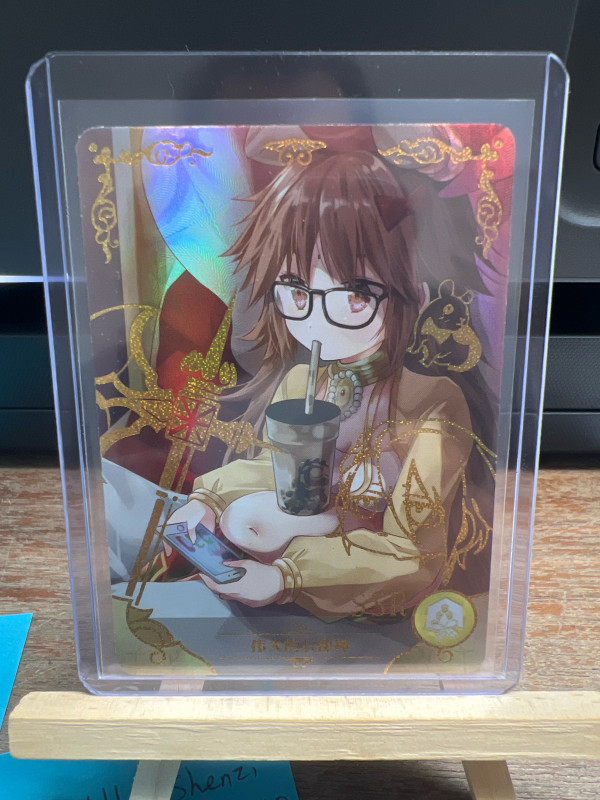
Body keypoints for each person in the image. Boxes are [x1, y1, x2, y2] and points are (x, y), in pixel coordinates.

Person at [164, 141, 496, 620]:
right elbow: (275, 470)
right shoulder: (303, 380)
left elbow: (414, 554)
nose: (318, 319)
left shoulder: (430, 403)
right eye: (297, 291)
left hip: (372, 592)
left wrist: (287, 577)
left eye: (356, 294)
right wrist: (207, 501)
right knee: (235, 520)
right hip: (282, 566)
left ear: (414, 295)